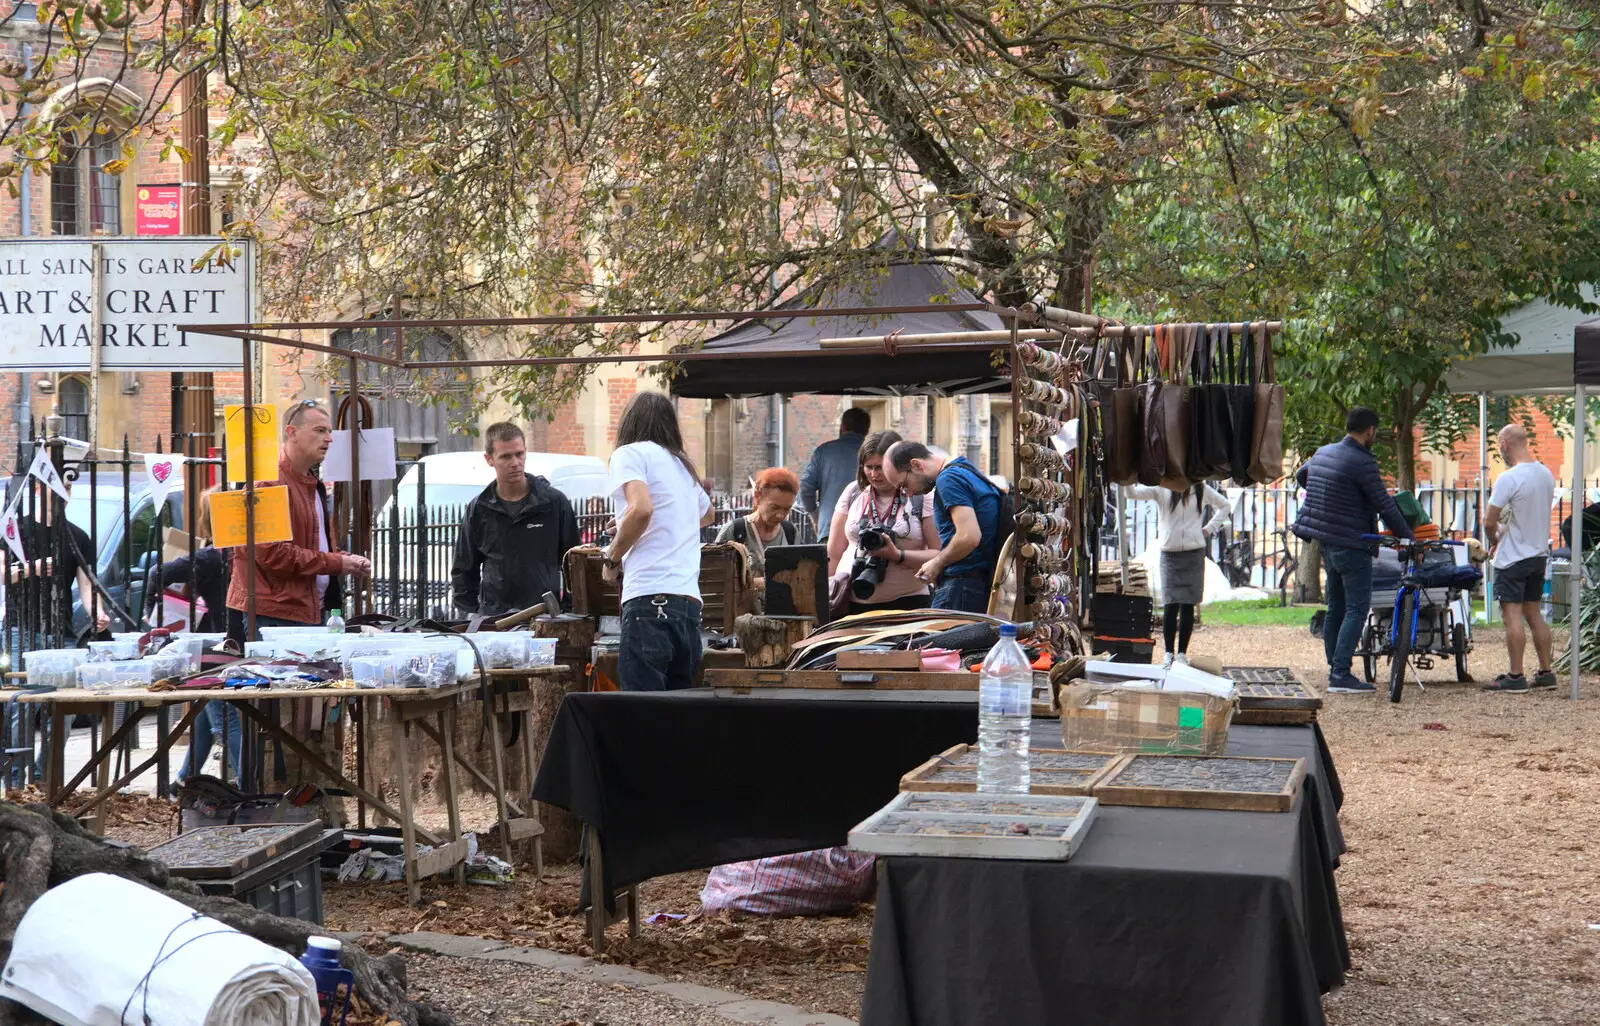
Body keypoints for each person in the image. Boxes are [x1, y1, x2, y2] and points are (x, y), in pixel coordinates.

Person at [225, 400, 371, 642]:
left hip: (308, 610)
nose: (329, 439)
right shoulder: (268, 482)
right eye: (320, 430)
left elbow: (313, 547)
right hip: (274, 614)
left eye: (330, 432)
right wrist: (335, 563)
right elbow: (271, 553)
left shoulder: (311, 483)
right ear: (292, 433)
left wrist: (345, 559)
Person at [1292, 406, 1413, 695]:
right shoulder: (1361, 461)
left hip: (1327, 541)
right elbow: (1385, 505)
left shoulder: (1323, 452)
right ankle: (1341, 675)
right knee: (1357, 608)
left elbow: (1301, 476)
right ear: (1369, 430)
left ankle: (1335, 667)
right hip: (1352, 543)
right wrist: (1408, 538)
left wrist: (1330, 498)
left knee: (1336, 607)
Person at [603, 392, 714, 691]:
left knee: (642, 718)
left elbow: (642, 509)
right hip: (688, 608)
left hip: (649, 601)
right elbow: (707, 514)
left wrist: (612, 558)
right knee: (677, 719)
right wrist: (631, 521)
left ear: (629, 423)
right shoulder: (682, 466)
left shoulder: (629, 453)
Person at [141, 486, 243, 783]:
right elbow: (157, 573)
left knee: (214, 719)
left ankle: (190, 781)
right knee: (220, 719)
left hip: (211, 646)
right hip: (224, 645)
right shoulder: (224, 555)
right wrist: (153, 611)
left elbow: (156, 573)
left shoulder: (213, 556)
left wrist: (150, 612)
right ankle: (242, 786)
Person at [452, 421, 579, 618]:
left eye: (519, 454)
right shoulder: (479, 509)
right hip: (494, 619)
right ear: (489, 459)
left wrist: (568, 611)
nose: (515, 463)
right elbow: (463, 569)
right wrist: (471, 615)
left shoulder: (553, 503)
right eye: (505, 456)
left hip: (545, 617)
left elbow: (574, 563)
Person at [883, 441, 1002, 613]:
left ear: (916, 465)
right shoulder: (966, 470)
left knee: (936, 640)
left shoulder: (949, 479)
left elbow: (969, 536)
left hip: (961, 587)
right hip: (974, 586)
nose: (908, 494)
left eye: (904, 485)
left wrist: (937, 563)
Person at [828, 431, 938, 615]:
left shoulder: (921, 496)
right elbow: (834, 552)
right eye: (868, 467)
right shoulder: (853, 492)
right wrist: (827, 596)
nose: (874, 474)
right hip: (852, 603)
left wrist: (897, 555)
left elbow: (938, 554)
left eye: (879, 467)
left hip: (909, 602)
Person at [1483, 424, 1557, 692]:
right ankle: (1546, 672)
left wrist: (1493, 539)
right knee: (1534, 614)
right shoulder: (1546, 474)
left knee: (1511, 616)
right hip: (1538, 555)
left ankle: (1515, 676)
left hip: (1512, 558)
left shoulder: (1509, 478)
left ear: (1504, 445)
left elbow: (1489, 520)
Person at [1125, 483, 1230, 667]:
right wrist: (1125, 477)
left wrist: (1208, 529)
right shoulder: (1161, 488)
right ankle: (1168, 653)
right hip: (1170, 553)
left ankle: (1181, 653)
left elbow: (1225, 505)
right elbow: (1132, 493)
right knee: (1170, 603)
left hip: (1194, 551)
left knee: (1188, 603)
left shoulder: (1200, 488)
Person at [714, 467, 799, 602]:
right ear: (758, 497)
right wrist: (757, 583)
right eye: (775, 507)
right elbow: (715, 581)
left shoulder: (791, 533)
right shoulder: (735, 531)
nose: (781, 515)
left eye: (787, 509)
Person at [798, 408, 870, 544]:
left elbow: (806, 487)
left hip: (830, 529)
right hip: (865, 531)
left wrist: (815, 516)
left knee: (831, 565)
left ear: (843, 427)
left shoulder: (824, 451)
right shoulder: (872, 454)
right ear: (866, 430)